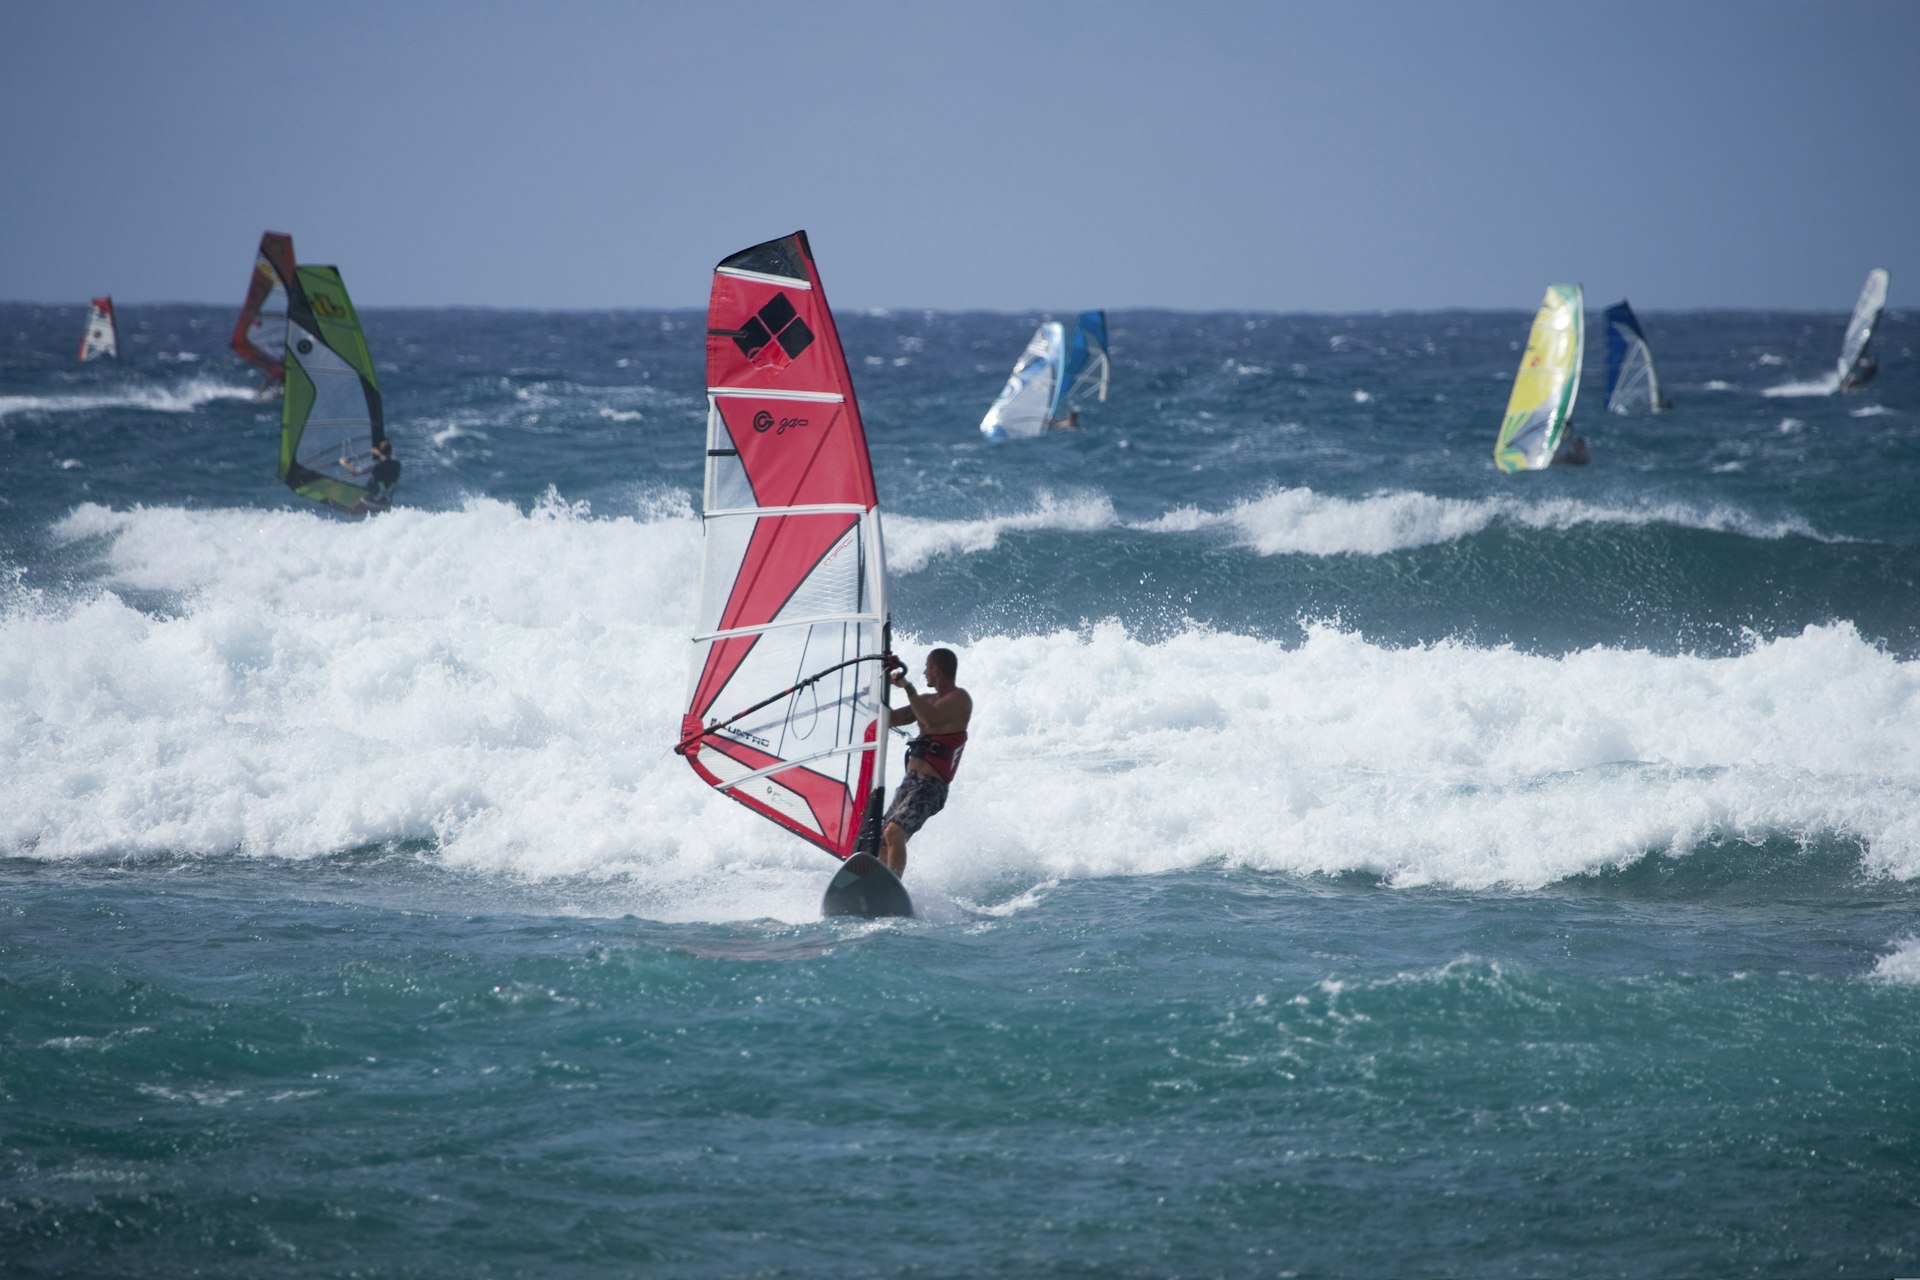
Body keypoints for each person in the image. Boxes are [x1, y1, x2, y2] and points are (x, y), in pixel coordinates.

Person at [879, 647, 972, 878]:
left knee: (894, 832)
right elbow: (892, 718)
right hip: (910, 783)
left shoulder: (959, 699)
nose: (923, 672)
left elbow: (931, 717)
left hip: (931, 786)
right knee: (880, 840)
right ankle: (879, 884)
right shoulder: (926, 700)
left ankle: (894, 885)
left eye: (927, 668)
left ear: (936, 670)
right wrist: (879, 687)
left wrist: (908, 687)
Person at [342, 438, 402, 514]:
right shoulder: (397, 465)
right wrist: (379, 453)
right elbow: (386, 461)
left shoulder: (374, 466)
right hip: (385, 506)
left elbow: (354, 472)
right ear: (391, 451)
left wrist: (344, 463)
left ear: (379, 451)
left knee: (350, 512)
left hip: (368, 504)